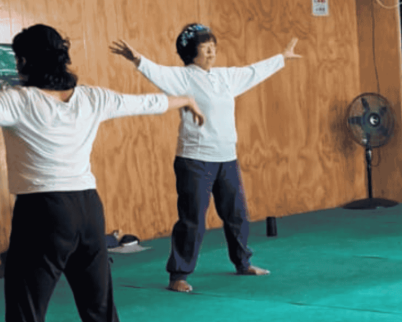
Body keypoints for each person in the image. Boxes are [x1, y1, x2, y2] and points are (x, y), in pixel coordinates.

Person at [0, 24, 204, 322]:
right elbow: (147, 102)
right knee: (99, 306)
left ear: (23, 63)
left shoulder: (18, 101)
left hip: (43, 213)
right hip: (87, 212)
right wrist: (186, 98)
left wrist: (183, 98)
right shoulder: (93, 97)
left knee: (27, 318)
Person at [110, 25, 301, 293]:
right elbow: (158, 72)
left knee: (237, 215)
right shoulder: (182, 77)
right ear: (191, 51)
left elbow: (252, 72)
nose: (212, 49)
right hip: (195, 160)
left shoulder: (225, 77)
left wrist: (281, 57)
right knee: (192, 220)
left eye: (213, 43)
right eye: (205, 45)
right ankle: (179, 274)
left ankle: (243, 263)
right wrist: (137, 59)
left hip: (227, 159)